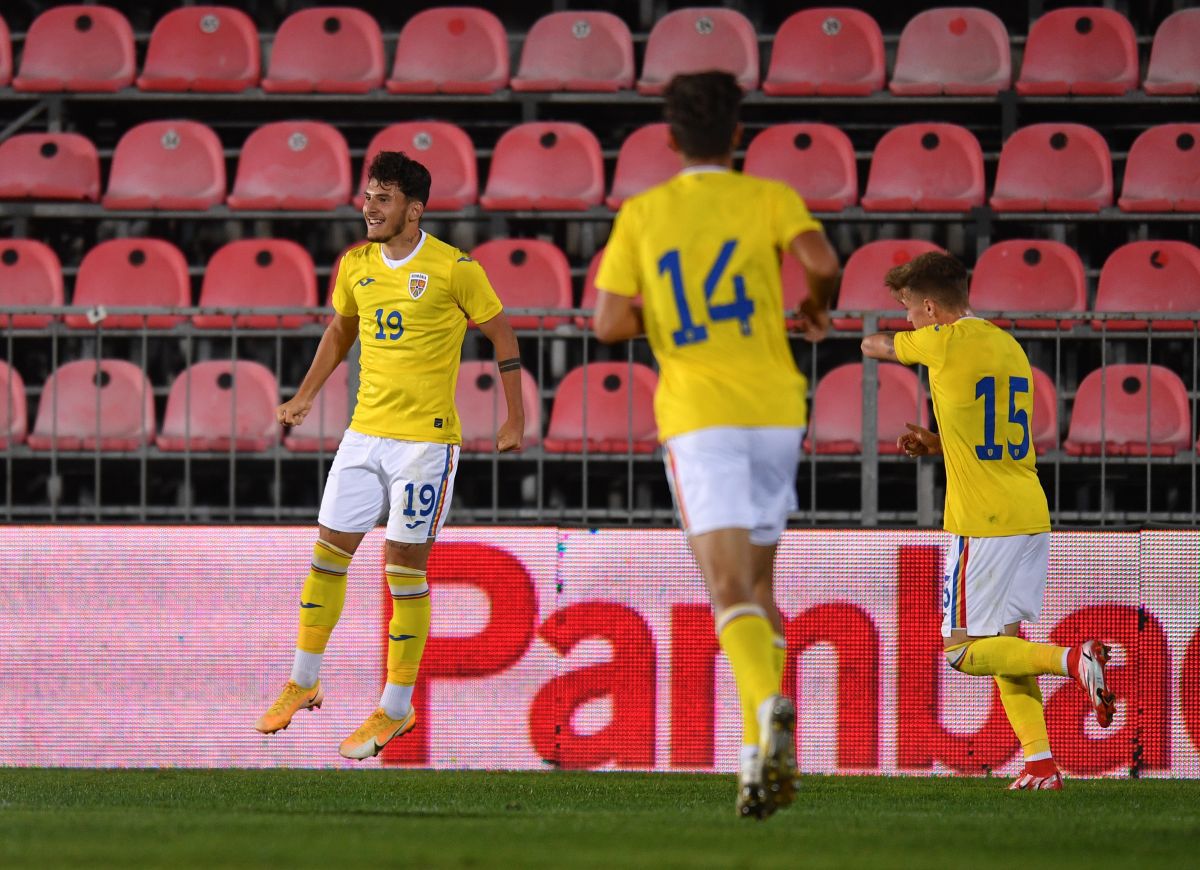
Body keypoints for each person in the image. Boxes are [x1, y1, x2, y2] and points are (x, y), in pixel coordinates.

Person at [593, 71, 840, 819]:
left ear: (669, 139)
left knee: (727, 589)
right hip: (775, 406)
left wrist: (662, 320)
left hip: (701, 412)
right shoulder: (768, 196)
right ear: (738, 135)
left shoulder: (644, 212)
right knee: (759, 591)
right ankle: (749, 762)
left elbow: (606, 324)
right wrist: (812, 307)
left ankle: (769, 708)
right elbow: (824, 264)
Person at [255, 151, 525, 759]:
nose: (368, 207)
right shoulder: (355, 265)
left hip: (426, 444)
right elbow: (341, 330)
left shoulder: (456, 269)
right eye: (367, 196)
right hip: (363, 435)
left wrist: (516, 416)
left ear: (413, 209)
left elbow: (503, 333)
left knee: (403, 570)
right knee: (326, 555)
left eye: (382, 198)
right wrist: (303, 397)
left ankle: (395, 709)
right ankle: (303, 680)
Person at [861, 251, 1116, 790]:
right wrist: (937, 444)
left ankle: (1073, 660)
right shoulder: (1008, 345)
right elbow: (988, 429)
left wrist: (895, 340)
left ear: (930, 307)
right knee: (1005, 645)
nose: (907, 319)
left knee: (960, 651)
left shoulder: (942, 340)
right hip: (1028, 509)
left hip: (982, 521)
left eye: (908, 308)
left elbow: (872, 345)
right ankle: (1041, 764)